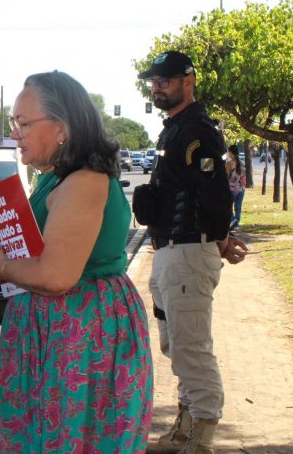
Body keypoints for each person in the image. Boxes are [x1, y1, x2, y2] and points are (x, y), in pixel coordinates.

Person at [0, 71, 153, 452]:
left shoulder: (84, 183)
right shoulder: (56, 180)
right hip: (56, 331)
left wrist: (4, 266)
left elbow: (54, 276)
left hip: (80, 334)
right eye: (14, 123)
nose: (15, 134)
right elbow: (15, 262)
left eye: (23, 123)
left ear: (62, 128)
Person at [134, 51, 248, 453]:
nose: (157, 85)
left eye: (165, 79)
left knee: (191, 346)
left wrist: (218, 237)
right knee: (175, 343)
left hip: (187, 254)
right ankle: (184, 425)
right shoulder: (174, 130)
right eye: (154, 80)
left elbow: (214, 194)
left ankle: (202, 435)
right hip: (169, 252)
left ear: (189, 80)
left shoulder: (197, 130)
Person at [226, 144, 246, 230]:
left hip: (232, 188)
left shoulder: (229, 163)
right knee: (238, 206)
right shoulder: (242, 163)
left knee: (227, 206)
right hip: (241, 188)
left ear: (231, 152)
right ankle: (237, 222)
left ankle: (233, 220)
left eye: (228, 151)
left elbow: (226, 176)